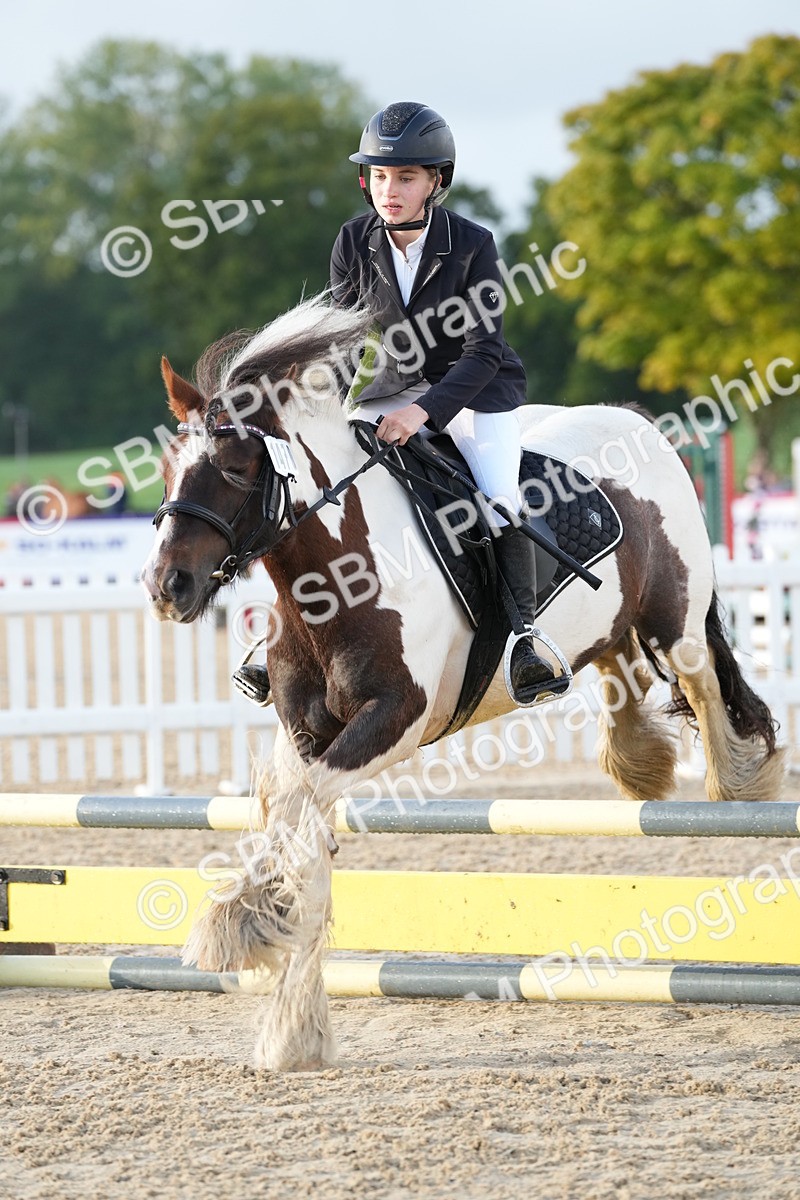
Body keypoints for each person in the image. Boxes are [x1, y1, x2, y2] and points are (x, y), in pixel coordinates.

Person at [233, 101, 569, 708]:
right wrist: (312, 415)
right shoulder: (352, 241)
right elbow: (337, 342)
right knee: (321, 492)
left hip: (473, 391)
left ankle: (525, 636)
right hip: (388, 387)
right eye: (381, 176)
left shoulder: (473, 244)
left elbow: (484, 350)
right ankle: (282, 637)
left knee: (497, 497)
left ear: (435, 182)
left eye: (407, 177)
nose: (390, 190)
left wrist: (424, 413)